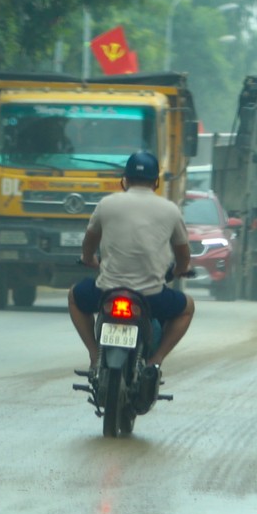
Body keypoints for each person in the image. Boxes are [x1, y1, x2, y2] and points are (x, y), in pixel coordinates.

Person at [69, 149, 195, 394]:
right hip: (150, 296)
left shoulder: (107, 204)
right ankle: (155, 362)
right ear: (156, 181)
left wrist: (89, 260)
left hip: (106, 291)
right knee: (187, 307)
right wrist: (181, 269)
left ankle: (95, 355)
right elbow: (183, 253)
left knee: (75, 296)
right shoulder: (169, 210)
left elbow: (89, 241)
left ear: (124, 179)